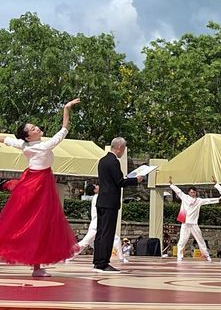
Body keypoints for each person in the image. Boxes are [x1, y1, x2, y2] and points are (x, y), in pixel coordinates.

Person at [0, 98, 81, 277]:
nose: (37, 128)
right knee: (37, 223)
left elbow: (4, 139)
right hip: (38, 185)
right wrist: (66, 108)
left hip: (34, 181)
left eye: (35, 126)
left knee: (35, 224)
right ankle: (37, 267)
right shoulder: (44, 146)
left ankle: (37, 267)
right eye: (33, 128)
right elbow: (64, 130)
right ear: (29, 136)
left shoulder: (24, 144)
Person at [92, 137, 143, 273]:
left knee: (100, 232)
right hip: (110, 203)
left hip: (102, 201)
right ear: (119, 147)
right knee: (108, 233)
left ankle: (97, 261)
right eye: (124, 149)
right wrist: (136, 180)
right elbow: (119, 182)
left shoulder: (103, 160)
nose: (123, 152)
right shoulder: (113, 161)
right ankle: (103, 263)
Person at [71, 184, 129, 263]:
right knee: (85, 243)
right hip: (96, 225)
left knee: (115, 239)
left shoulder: (98, 197)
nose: (99, 186)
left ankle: (121, 258)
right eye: (96, 185)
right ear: (95, 190)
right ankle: (67, 254)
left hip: (99, 225)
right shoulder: (98, 197)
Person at [170, 177, 221, 261]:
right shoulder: (185, 197)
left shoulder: (199, 200)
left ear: (195, 193)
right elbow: (178, 191)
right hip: (185, 223)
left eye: (194, 192)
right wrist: (172, 184)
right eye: (191, 192)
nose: (193, 194)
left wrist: (218, 199)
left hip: (194, 224)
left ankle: (207, 255)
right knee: (182, 240)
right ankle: (179, 256)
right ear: (189, 193)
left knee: (200, 240)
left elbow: (208, 201)